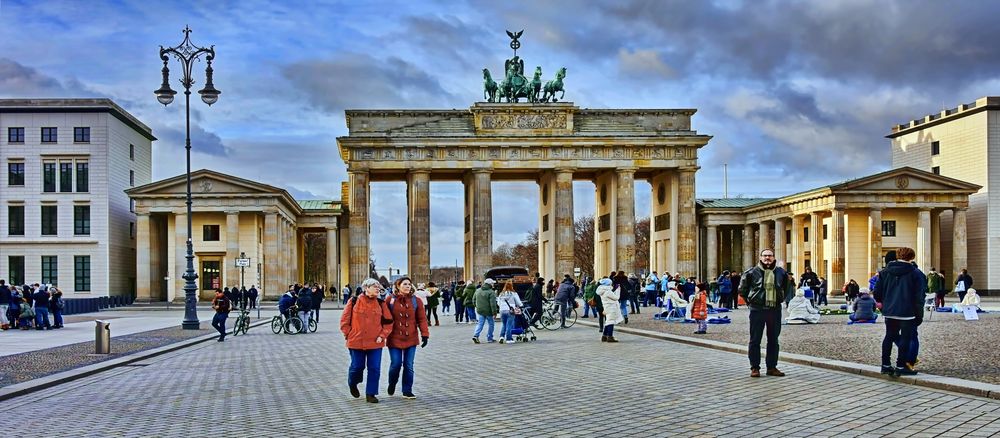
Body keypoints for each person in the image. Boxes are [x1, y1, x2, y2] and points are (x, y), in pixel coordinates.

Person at [873, 246, 926, 376]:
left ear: (898, 256)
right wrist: (919, 314)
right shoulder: (916, 273)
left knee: (889, 337)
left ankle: (885, 365)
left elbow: (877, 293)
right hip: (907, 311)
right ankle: (900, 366)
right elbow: (919, 297)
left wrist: (885, 304)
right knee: (905, 339)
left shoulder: (885, 272)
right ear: (912, 257)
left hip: (890, 311)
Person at [739, 248, 790, 378]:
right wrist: (751, 303)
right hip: (757, 309)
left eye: (770, 256)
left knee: (773, 340)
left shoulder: (781, 273)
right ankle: (755, 368)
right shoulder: (751, 273)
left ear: (774, 258)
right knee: (755, 340)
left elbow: (786, 288)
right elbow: (742, 290)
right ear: (760, 257)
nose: (767, 258)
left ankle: (772, 367)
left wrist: (779, 299)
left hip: (774, 310)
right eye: (765, 256)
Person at [340, 278, 393, 403]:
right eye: (374, 286)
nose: (377, 289)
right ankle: (352, 382)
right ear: (366, 288)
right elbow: (344, 321)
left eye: (378, 287)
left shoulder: (381, 303)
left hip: (375, 342)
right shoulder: (353, 301)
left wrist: (382, 335)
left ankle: (371, 393)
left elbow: (389, 322)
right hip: (356, 341)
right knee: (357, 367)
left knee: (374, 368)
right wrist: (349, 334)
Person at [385, 277, 429, 400]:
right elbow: (384, 319)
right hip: (394, 337)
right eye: (405, 284)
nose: (408, 286)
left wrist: (425, 334)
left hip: (411, 337)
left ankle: (407, 390)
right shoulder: (390, 300)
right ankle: (392, 383)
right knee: (396, 364)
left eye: (409, 284)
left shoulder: (417, 301)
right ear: (398, 286)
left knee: (409, 365)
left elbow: (422, 319)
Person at [472, 279, 498, 343]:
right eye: (492, 283)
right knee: (491, 324)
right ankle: (490, 337)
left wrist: (477, 306)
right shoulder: (491, 292)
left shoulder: (478, 290)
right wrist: (494, 313)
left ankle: (476, 335)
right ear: (490, 284)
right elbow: (493, 304)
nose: (493, 284)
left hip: (480, 310)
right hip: (488, 311)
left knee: (480, 324)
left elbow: (473, 300)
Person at [596, 278, 622, 342]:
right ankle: (610, 337)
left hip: (607, 307)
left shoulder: (603, 290)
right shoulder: (607, 291)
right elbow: (616, 298)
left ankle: (604, 336)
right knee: (611, 322)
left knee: (608, 322)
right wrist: (618, 290)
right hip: (611, 308)